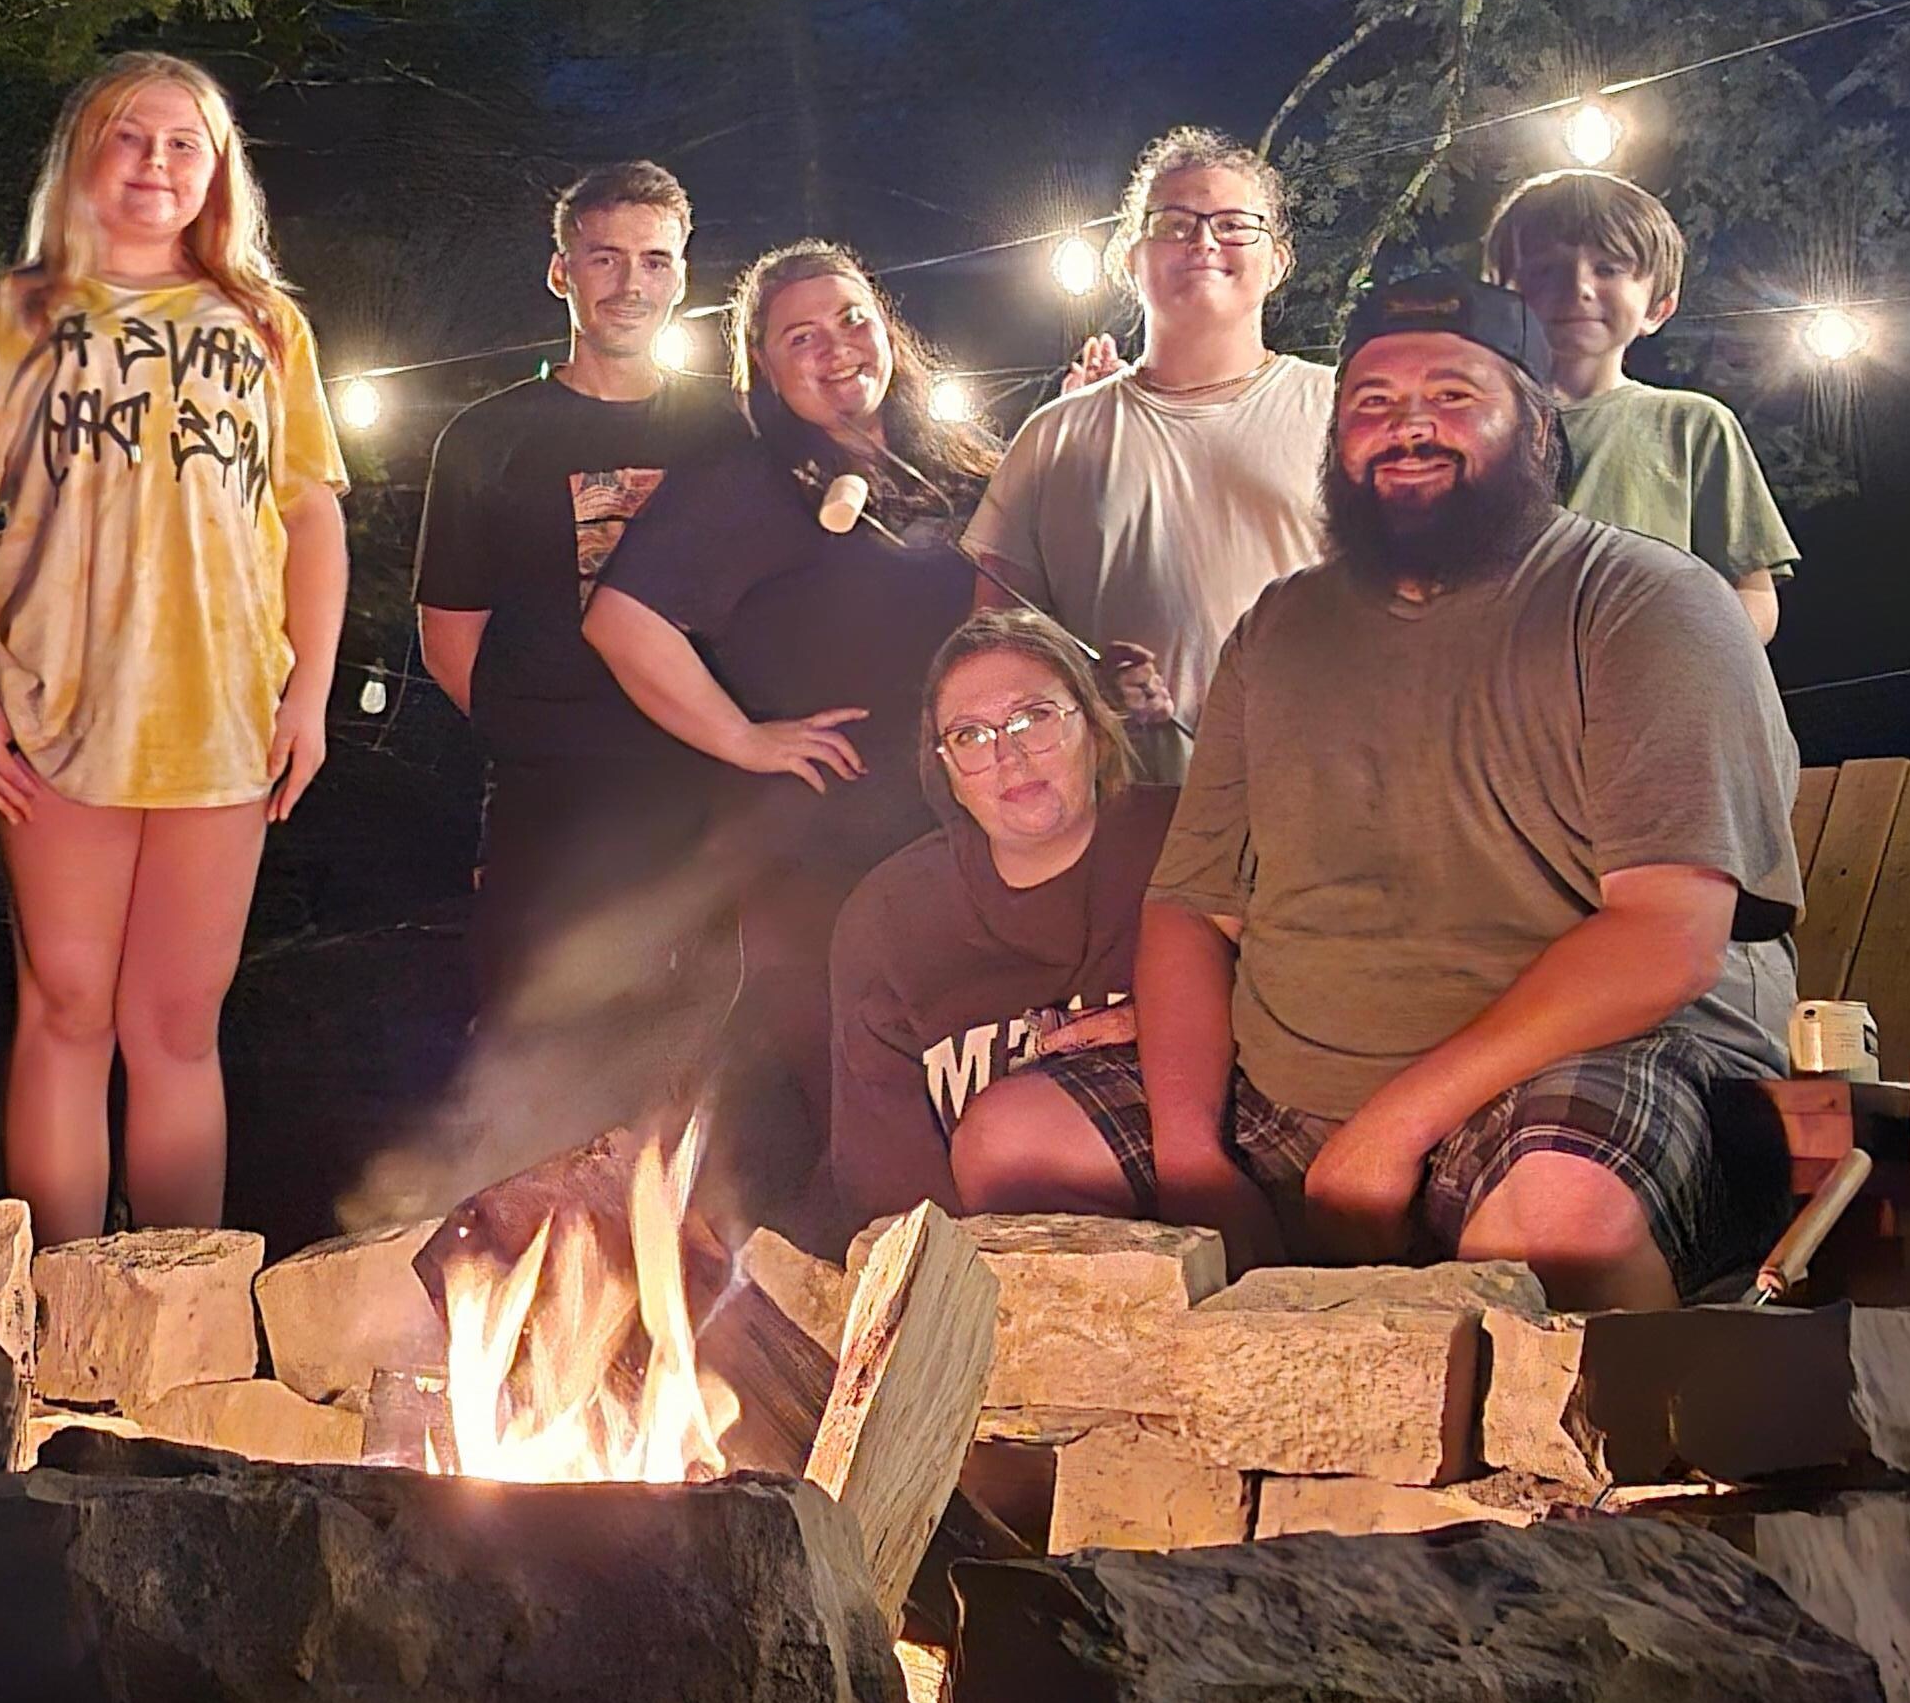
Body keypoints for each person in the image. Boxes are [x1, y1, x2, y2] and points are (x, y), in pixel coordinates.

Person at [959, 273, 1803, 1308]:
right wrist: (1193, 1160)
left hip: (1564, 1078)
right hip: (1289, 1090)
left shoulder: (1644, 603)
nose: (1407, 426)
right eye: (1370, 403)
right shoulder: (1279, 629)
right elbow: (1191, 907)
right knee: (1015, 1145)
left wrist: (1391, 1132)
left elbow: (1666, 937)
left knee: (1552, 1220)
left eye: (1454, 396)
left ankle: (1599, 1467)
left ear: (1539, 430)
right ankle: (1136, 1465)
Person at [0, 51, 348, 1245]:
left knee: (178, 1026)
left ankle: (179, 1316)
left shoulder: (263, 323)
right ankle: (58, 1304)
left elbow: (312, 514)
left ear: (218, 172)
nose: (157, 162)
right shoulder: (9, 314)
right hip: (56, 710)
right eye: (130, 136)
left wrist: (308, 694)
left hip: (220, 715)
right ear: (83, 152)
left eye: (184, 143)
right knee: (64, 1009)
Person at [584, 238, 992, 1218]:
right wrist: (744, 737)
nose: (837, 346)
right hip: (813, 858)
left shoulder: (942, 467)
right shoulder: (746, 482)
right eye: (799, 335)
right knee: (849, 1113)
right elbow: (619, 619)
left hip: (949, 842)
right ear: (762, 368)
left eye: (852, 318)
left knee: (954, 1105)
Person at [410, 159, 744, 1142]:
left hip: (708, 811)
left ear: (683, 276)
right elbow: (449, 641)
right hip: (544, 814)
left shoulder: (732, 429)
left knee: (706, 1080)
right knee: (536, 1071)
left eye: (654, 260)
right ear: (563, 272)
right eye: (605, 257)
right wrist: (552, 736)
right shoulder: (487, 436)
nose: (630, 282)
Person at [967, 126, 1334, 747]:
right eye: (1174, 224)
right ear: (1131, 260)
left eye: (1235, 224)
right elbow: (996, 646)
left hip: (1315, 790)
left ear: (1277, 262)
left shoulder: (1345, 411)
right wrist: (1082, 686)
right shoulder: (1053, 440)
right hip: (1125, 807)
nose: (1204, 241)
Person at [826, 609, 1176, 1227]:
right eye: (970, 736)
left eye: (1033, 719)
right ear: (949, 775)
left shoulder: (1187, 845)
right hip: (1005, 1279)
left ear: (1094, 728)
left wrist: (1182, 1023)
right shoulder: (889, 918)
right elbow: (888, 1187)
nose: (1008, 757)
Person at [1483, 166, 1799, 643]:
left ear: (1658, 308)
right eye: (1546, 269)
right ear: (1501, 294)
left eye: (1608, 268)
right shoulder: (1467, 428)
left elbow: (1752, 594)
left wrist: (1677, 650)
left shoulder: (1693, 426)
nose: (1579, 287)